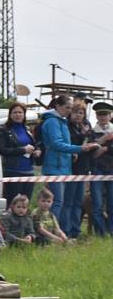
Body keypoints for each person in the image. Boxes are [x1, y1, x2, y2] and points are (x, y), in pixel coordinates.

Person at [39, 95, 99, 223]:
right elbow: (56, 144)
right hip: (55, 166)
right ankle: (54, 232)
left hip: (65, 167)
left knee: (61, 202)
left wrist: (73, 153)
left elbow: (64, 143)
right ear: (58, 106)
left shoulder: (62, 121)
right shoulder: (52, 122)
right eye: (67, 107)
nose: (69, 111)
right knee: (58, 202)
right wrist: (79, 149)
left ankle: (61, 232)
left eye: (71, 108)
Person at [0, 102, 40, 207]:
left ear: (24, 114)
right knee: (13, 202)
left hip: (29, 171)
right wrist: (22, 150)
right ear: (10, 115)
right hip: (12, 171)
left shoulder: (27, 130)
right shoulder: (4, 130)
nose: (17, 115)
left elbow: (35, 144)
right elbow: (2, 150)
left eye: (20, 112)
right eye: (14, 112)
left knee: (25, 203)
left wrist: (37, 150)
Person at [64, 102, 93, 238]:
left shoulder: (86, 127)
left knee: (78, 202)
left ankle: (76, 231)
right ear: (70, 113)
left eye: (81, 113)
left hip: (83, 168)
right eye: (75, 112)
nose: (78, 115)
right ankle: (67, 230)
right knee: (68, 202)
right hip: (71, 168)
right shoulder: (66, 127)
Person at [89, 102, 113, 236]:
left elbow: (97, 150)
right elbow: (89, 151)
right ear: (96, 116)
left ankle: (111, 231)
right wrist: (102, 140)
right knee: (97, 204)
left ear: (110, 116)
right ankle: (101, 233)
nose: (102, 117)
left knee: (112, 204)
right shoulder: (92, 132)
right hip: (97, 169)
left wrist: (105, 148)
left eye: (105, 114)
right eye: (100, 114)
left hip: (111, 169)